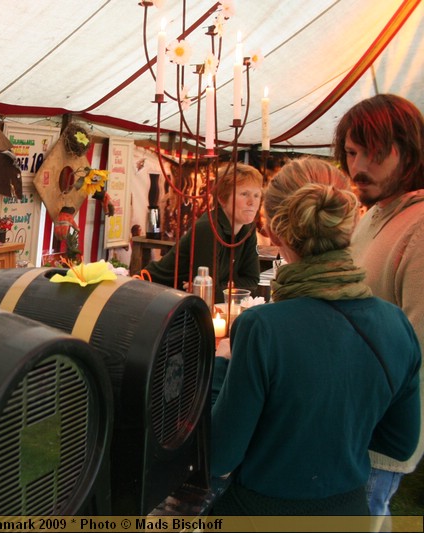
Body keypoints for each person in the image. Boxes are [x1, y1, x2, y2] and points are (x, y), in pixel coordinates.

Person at [210, 158, 421, 517]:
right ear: (351, 225)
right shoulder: (395, 324)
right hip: (348, 512)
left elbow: (218, 455)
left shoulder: (262, 328)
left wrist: (221, 366)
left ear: (275, 232)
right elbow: (400, 444)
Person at [333, 93, 424, 521]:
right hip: (348, 417)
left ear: (409, 149)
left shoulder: (420, 225)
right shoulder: (374, 214)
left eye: (375, 151)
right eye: (352, 152)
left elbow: (416, 344)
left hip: (377, 431)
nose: (359, 166)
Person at [141, 163, 263, 302]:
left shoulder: (248, 229)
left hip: (181, 302)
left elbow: (252, 282)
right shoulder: (209, 228)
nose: (252, 202)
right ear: (222, 198)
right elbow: (208, 293)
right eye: (244, 194)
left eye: (256, 195)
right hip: (153, 296)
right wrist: (230, 287)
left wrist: (223, 288)